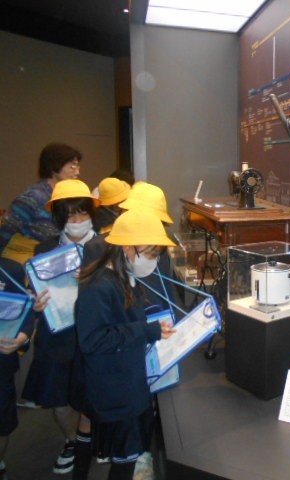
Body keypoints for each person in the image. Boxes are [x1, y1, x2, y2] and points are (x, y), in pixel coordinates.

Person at [74, 209, 175, 480]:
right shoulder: (100, 287)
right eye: (151, 254)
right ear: (128, 248)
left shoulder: (122, 278)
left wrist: (152, 330)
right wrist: (146, 331)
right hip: (115, 390)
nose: (153, 261)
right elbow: (92, 340)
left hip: (125, 383)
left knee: (126, 456)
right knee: (124, 460)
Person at [20, 179, 99, 475]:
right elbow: (33, 292)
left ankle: (93, 441)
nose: (77, 221)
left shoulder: (108, 247)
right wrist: (34, 302)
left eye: (82, 213)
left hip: (94, 335)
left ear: (92, 213)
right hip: (56, 337)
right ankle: (72, 441)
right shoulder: (44, 250)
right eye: (69, 215)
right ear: (58, 218)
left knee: (93, 395)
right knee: (59, 400)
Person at [0, 143, 83, 264]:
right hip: (25, 261)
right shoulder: (33, 197)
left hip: (52, 258)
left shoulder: (68, 195)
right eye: (73, 166)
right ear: (55, 166)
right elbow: (6, 232)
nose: (77, 172)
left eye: (77, 166)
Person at [0, 259, 35, 480]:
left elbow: (26, 309)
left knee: (2, 424)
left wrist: (23, 336)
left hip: (2, 364)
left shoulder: (9, 269)